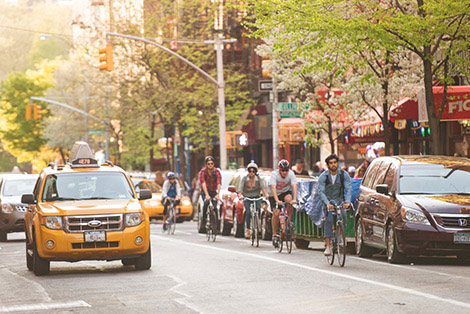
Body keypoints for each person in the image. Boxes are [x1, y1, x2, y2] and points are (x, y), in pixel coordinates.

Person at [318, 154, 352, 256]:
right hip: (327, 201)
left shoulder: (343, 175)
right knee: (328, 220)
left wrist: (347, 201)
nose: (333, 165)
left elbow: (348, 188)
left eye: (335, 162)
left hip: (338, 201)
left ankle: (340, 235)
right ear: (328, 165)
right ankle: (328, 246)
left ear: (338, 163)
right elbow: (321, 192)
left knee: (343, 216)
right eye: (331, 163)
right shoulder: (323, 176)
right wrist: (327, 203)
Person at [269, 159, 298, 247]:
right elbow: (273, 188)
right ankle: (274, 234)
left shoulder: (291, 174)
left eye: (286, 170)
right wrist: (277, 200)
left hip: (285, 192)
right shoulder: (274, 175)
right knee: (276, 213)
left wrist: (294, 199)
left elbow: (294, 186)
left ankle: (288, 222)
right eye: (283, 170)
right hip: (274, 194)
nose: (285, 172)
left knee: (289, 200)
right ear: (279, 170)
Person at [237, 162, 269, 239]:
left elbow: (263, 187)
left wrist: (265, 194)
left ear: (255, 172)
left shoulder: (258, 179)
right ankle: (248, 229)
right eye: (250, 171)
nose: (251, 173)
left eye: (253, 171)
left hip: (256, 196)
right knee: (247, 212)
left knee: (258, 209)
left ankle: (258, 223)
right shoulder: (245, 178)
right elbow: (240, 188)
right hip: (247, 197)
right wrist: (240, 195)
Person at [199, 156, 221, 232]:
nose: (210, 165)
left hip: (213, 191)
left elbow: (218, 183)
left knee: (215, 207)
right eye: (208, 164)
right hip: (205, 191)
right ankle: (203, 221)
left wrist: (218, 194)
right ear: (206, 165)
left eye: (212, 164)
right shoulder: (203, 172)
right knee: (206, 202)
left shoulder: (217, 172)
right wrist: (206, 195)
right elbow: (203, 183)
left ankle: (217, 226)